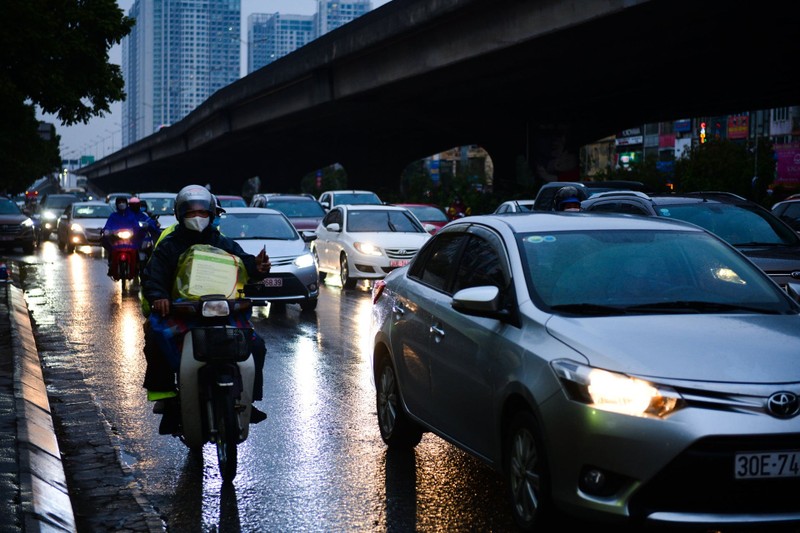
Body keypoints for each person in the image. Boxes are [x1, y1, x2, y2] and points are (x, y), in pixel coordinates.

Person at [140, 185, 272, 434]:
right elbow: (153, 276)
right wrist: (159, 297)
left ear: (212, 213)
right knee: (156, 339)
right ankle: (168, 402)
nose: (197, 217)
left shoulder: (221, 241)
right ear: (180, 215)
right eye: (191, 213)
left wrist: (257, 267)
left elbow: (242, 264)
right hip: (181, 312)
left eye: (202, 212)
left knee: (255, 344)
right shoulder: (168, 246)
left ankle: (249, 401)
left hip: (221, 309)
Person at [101, 196, 141, 276]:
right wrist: (106, 231)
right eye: (119, 203)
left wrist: (137, 230)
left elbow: (136, 225)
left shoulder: (131, 215)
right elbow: (108, 225)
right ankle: (111, 264)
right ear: (116, 204)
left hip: (130, 239)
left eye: (123, 202)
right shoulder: (113, 216)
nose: (121, 204)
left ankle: (136, 267)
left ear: (127, 204)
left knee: (137, 250)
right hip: (116, 238)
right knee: (110, 248)